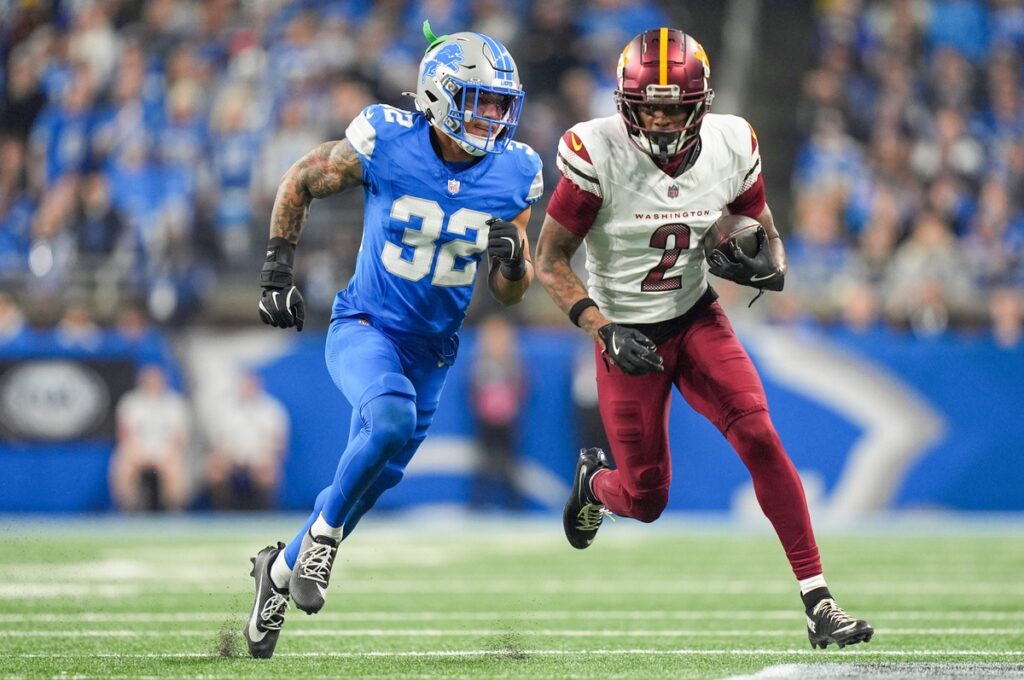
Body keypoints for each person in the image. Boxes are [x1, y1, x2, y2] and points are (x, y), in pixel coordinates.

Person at [534, 28, 873, 650]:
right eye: (650, 108)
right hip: (626, 334)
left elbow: (767, 231)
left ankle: (819, 601)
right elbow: (549, 260)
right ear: (625, 104)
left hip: (694, 317)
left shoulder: (731, 143)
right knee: (645, 498)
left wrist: (768, 264)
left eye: (674, 108)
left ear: (702, 104)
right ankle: (595, 485)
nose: (662, 120)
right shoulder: (595, 152)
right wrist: (601, 328)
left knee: (760, 434)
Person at [244, 23, 543, 658]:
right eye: (479, 101)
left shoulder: (515, 171)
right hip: (366, 326)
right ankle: (323, 542)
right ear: (439, 96)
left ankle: (280, 567)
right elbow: (301, 177)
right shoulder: (388, 139)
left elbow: (513, 290)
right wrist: (276, 271)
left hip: (433, 351)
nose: (493, 117)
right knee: (388, 421)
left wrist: (514, 261)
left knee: (375, 477)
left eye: (500, 104)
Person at [109, 364, 190, 512]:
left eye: (155, 380)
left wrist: (167, 454)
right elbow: (125, 434)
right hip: (137, 450)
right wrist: (137, 453)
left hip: (165, 451)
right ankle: (128, 508)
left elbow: (179, 437)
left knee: (175, 466)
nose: (152, 383)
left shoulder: (175, 403)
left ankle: (174, 509)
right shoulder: (131, 402)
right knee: (123, 464)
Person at [204, 372, 289, 510]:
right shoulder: (225, 409)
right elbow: (218, 443)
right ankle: (225, 511)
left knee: (267, 471)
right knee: (215, 469)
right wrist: (228, 455)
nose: (248, 388)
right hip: (231, 457)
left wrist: (265, 455)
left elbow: (279, 444)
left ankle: (263, 512)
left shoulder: (272, 410)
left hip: (260, 457)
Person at [468, 312, 525, 510]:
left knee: (509, 461)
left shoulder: (512, 362)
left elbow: (521, 387)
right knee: (484, 461)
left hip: (507, 417)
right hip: (486, 417)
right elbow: (474, 389)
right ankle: (479, 503)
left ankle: (514, 504)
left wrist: (511, 407)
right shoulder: (480, 362)